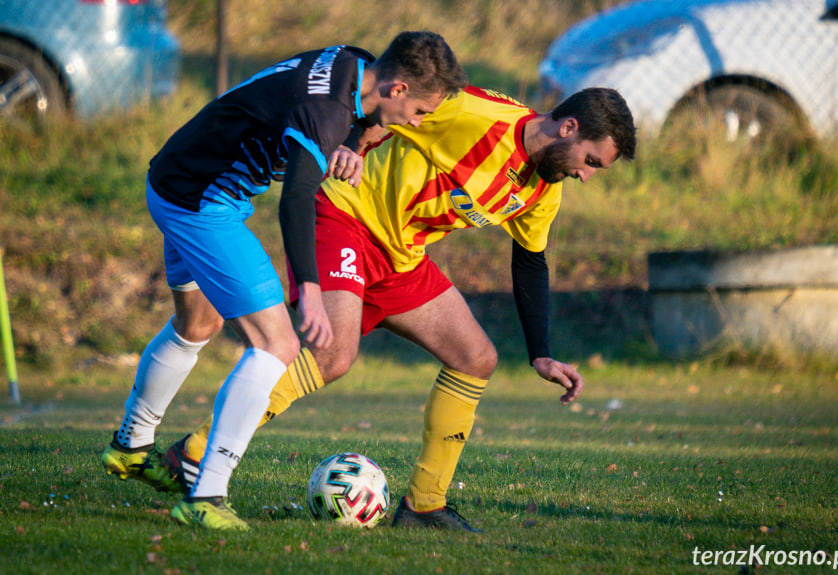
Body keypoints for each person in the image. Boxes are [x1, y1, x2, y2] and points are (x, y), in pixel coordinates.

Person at [161, 85, 636, 531]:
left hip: (401, 255)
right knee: (333, 356)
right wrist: (350, 143)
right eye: (591, 161)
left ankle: (424, 505)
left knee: (476, 358)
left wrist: (541, 352)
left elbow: (530, 261)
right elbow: (391, 102)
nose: (586, 175)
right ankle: (196, 453)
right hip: (344, 216)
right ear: (569, 128)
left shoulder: (543, 188)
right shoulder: (475, 113)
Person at [99, 31, 468, 531]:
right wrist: (311, 294)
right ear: (398, 89)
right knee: (276, 344)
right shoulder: (326, 112)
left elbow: (347, 119)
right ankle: (206, 494)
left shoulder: (354, 64)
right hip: (202, 201)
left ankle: (131, 445)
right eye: (421, 111)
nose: (417, 123)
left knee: (197, 322)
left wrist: (355, 146)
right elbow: (296, 197)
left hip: (174, 176)